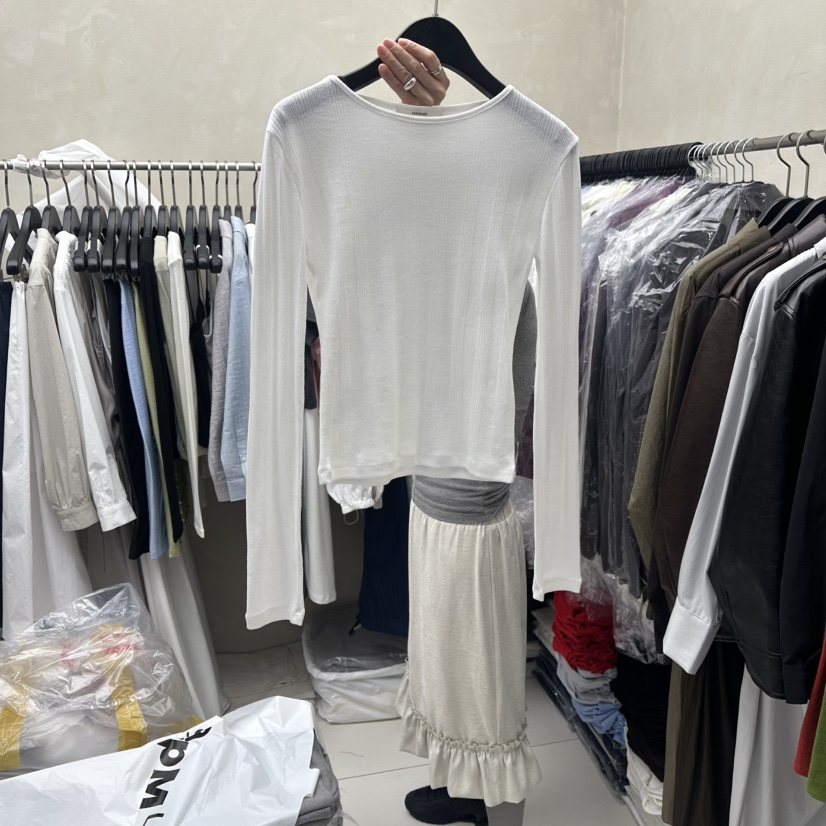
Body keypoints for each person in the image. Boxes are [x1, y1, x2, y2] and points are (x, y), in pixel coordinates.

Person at [377, 38, 536, 826]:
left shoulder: (497, 252)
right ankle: (456, 778)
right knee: (443, 648)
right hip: (435, 485)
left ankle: (485, 800)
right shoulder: (448, 241)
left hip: (470, 496)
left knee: (473, 656)